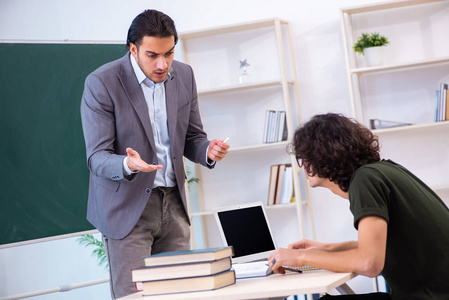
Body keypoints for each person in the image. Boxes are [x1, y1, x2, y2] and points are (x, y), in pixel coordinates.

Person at [80, 9, 229, 299]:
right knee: (134, 296)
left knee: (183, 294)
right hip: (127, 207)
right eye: (152, 55)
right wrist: (127, 163)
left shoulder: (184, 75)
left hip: (174, 205)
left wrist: (207, 150)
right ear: (133, 49)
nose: (163, 64)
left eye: (169, 53)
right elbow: (96, 157)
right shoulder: (102, 83)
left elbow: (192, 138)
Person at [268, 113, 449, 299]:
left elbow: (369, 263)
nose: (302, 166)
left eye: (304, 158)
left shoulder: (365, 181)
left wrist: (300, 258)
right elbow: (389, 244)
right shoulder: (384, 170)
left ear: (323, 155)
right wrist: (328, 248)